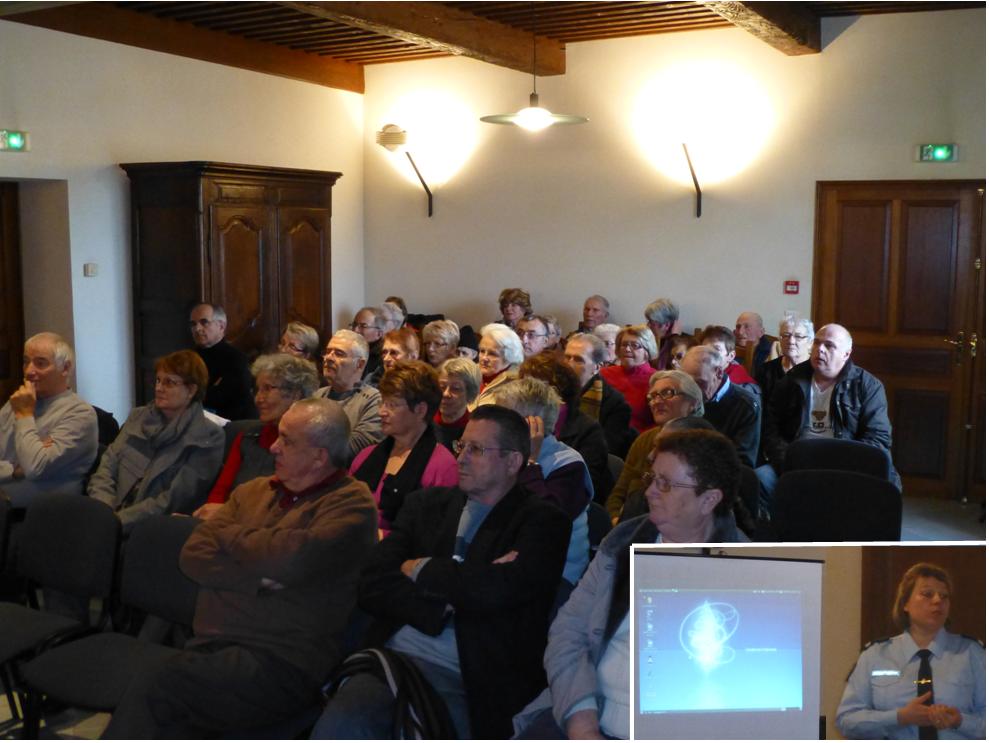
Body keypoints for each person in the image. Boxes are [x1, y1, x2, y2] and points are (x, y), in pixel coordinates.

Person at [103, 398, 378, 738]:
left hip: (283, 663)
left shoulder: (352, 504)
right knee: (164, 701)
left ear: (320, 456)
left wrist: (226, 534)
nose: (274, 447)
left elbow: (291, 560)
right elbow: (194, 553)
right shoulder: (254, 491)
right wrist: (256, 577)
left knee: (158, 686)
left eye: (288, 441)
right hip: (212, 648)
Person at [312, 405, 571, 740]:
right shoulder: (425, 506)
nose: (461, 458)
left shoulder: (543, 523)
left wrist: (418, 567)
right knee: (345, 725)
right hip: (396, 658)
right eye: (461, 446)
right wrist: (443, 605)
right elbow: (373, 581)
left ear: (512, 462)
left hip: (473, 675)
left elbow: (499, 592)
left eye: (476, 450)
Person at [513, 429, 748, 740]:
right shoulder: (621, 544)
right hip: (591, 708)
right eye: (652, 477)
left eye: (665, 484)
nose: (649, 490)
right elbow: (568, 633)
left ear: (708, 500)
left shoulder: (746, 571)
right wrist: (582, 724)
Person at [837, 563, 985, 740]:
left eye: (944, 596)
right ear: (905, 603)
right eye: (927, 594)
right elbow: (847, 722)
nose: (938, 600)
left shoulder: (972, 653)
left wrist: (960, 721)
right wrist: (900, 717)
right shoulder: (875, 655)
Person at [88, 350, 224, 534]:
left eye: (169, 382)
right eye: (158, 380)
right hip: (107, 518)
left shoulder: (208, 436)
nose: (159, 388)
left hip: (153, 530)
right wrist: (104, 511)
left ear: (191, 390)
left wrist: (118, 522)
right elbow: (107, 467)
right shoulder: (138, 416)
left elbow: (175, 499)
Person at [761, 323, 898, 491]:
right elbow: (771, 429)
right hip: (798, 461)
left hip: (846, 464)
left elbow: (878, 438)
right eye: (817, 343)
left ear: (846, 354)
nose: (820, 349)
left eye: (829, 345)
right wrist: (788, 462)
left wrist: (839, 464)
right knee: (761, 479)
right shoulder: (791, 380)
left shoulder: (867, 386)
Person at [491, 377, 592, 586]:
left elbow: (548, 522)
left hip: (555, 573)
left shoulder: (568, 464)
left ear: (532, 424)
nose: (494, 424)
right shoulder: (499, 451)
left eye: (503, 418)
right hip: (505, 559)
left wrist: (529, 463)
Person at [195, 353, 319, 520]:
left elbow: (289, 510)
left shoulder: (307, 443)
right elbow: (220, 491)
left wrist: (225, 514)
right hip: (222, 524)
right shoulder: (247, 436)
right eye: (257, 390)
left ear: (295, 394)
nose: (258, 399)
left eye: (267, 388)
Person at [350, 361, 459, 536]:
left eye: (392, 405)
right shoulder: (366, 455)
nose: (381, 412)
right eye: (382, 403)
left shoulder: (443, 467)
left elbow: (432, 535)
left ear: (420, 410)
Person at [0, 333, 97, 506]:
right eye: (25, 362)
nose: (29, 371)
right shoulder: (15, 403)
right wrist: (13, 470)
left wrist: (24, 415)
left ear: (65, 368)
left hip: (39, 516)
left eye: (40, 363)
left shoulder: (80, 414)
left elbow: (34, 467)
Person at [605, 370, 705, 522]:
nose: (657, 401)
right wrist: (615, 518)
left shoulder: (704, 444)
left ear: (693, 403)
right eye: (653, 396)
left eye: (667, 393)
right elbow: (619, 493)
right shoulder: (645, 439)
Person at [519, 353, 614, 506]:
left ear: (555, 392)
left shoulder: (587, 431)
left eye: (532, 388)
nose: (523, 393)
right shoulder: (520, 422)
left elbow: (560, 505)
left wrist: (531, 462)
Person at [681, 345, 761, 468]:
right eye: (688, 382)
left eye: (700, 382)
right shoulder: (682, 394)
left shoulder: (747, 405)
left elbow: (743, 463)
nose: (693, 390)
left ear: (718, 372)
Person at [315, 330, 384, 463]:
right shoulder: (317, 395)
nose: (328, 357)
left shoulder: (374, 400)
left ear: (360, 364)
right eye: (328, 352)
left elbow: (353, 448)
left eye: (339, 354)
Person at [564, 333, 635, 457]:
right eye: (567, 357)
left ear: (597, 367)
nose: (569, 365)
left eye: (578, 360)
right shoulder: (553, 391)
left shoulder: (614, 404)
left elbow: (605, 451)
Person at [189, 303, 256, 421]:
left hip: (231, 424)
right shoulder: (188, 359)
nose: (197, 329)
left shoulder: (236, 359)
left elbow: (226, 397)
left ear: (221, 326)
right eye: (193, 324)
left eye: (204, 322)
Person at [600, 324, 658, 434]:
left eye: (634, 345)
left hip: (637, 440)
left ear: (647, 350)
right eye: (624, 344)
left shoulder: (656, 380)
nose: (627, 349)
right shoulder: (604, 373)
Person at [756, 316, 813, 401]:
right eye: (786, 336)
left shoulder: (816, 371)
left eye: (798, 336)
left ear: (810, 343)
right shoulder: (766, 370)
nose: (791, 341)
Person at [470, 322, 523, 409]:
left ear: (508, 357)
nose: (484, 358)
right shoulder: (468, 374)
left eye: (492, 354)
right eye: (482, 351)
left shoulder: (517, 386)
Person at [434, 357, 481, 452]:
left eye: (455, 388)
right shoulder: (423, 422)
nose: (445, 394)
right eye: (442, 387)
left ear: (470, 393)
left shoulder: (475, 431)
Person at [699, 324, 759, 391]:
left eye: (716, 349)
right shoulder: (701, 367)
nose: (708, 354)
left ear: (731, 356)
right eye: (704, 348)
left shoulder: (738, 383)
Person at [350, 307, 386, 383]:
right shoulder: (349, 351)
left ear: (379, 333)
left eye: (363, 326)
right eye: (354, 325)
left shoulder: (384, 358)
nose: (355, 330)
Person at [735, 311, 775, 378]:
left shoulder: (770, 355)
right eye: (738, 327)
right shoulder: (729, 346)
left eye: (747, 327)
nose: (740, 332)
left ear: (761, 332)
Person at [644, 297, 679, 370]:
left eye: (651, 322)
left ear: (666, 325)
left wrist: (674, 337)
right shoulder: (652, 339)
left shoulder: (679, 345)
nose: (648, 326)